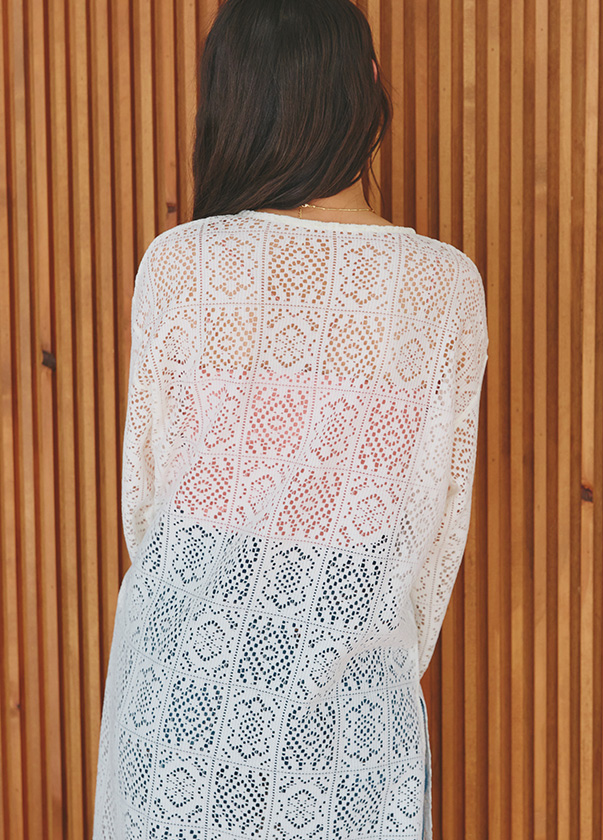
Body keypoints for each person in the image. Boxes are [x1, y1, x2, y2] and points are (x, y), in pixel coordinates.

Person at [91, 0, 488, 837]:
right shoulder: (443, 287)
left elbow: (147, 502)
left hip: (179, 711)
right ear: (369, 87)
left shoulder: (179, 266)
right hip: (352, 735)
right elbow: (434, 534)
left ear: (228, 104)